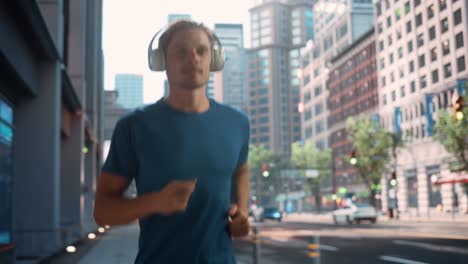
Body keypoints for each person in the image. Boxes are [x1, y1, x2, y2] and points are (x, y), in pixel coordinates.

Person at [94, 19, 250, 264]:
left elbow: (240, 168)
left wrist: (241, 212)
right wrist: (155, 202)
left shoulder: (238, 123)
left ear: (214, 59)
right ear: (161, 61)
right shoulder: (134, 126)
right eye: (180, 51)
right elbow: (103, 211)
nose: (193, 58)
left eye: (201, 50)